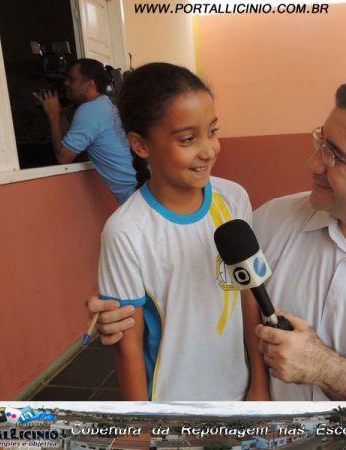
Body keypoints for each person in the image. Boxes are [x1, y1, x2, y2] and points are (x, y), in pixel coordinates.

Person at [89, 70, 346, 401]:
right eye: (320, 141)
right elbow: (197, 274)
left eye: (336, 156)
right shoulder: (271, 222)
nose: (312, 163)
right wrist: (119, 312)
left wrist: (329, 370)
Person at [98, 62, 269, 401]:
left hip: (238, 391)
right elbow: (127, 343)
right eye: (188, 139)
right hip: (172, 402)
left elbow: (251, 296)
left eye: (213, 132)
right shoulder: (126, 231)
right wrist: (141, 427)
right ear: (141, 145)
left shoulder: (232, 198)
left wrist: (259, 386)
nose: (208, 150)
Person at [34, 58, 136, 204]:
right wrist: (61, 114)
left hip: (135, 199)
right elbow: (73, 144)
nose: (66, 83)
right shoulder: (105, 105)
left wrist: (53, 116)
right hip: (142, 192)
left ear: (89, 85)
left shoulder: (89, 111)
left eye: (72, 79)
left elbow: (63, 158)